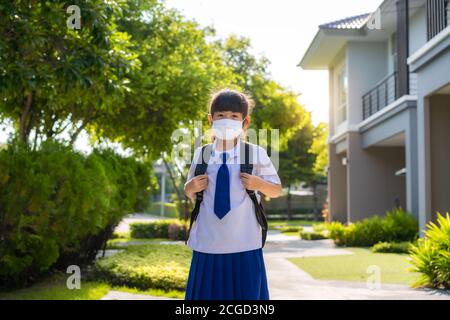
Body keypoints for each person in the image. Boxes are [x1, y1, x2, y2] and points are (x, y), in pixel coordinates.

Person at [183, 88, 282, 300]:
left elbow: (276, 190)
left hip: (244, 243)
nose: (227, 120)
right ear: (211, 119)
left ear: (245, 123)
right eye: (221, 115)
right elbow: (188, 190)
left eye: (234, 116)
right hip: (207, 244)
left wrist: (258, 183)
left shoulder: (255, 153)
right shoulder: (203, 154)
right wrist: (191, 187)